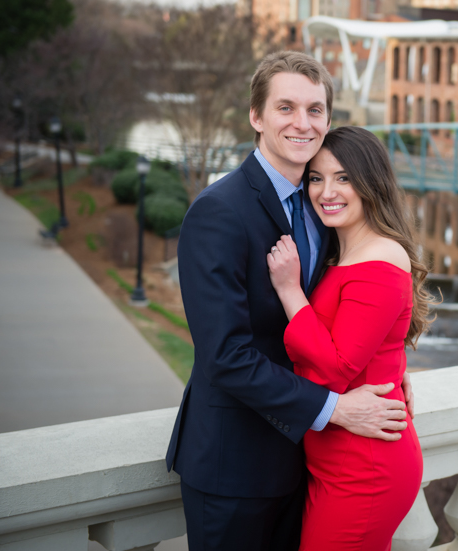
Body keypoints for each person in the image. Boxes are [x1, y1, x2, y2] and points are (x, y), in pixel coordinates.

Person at [165, 51, 413, 551]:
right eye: (286, 108)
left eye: (315, 110)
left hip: (306, 464)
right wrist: (335, 408)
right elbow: (226, 356)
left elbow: (352, 309)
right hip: (234, 464)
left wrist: (387, 365)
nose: (303, 123)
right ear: (256, 117)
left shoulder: (325, 205)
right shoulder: (218, 212)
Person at [268, 126, 428, 549]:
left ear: (370, 183)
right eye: (316, 178)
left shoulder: (380, 256)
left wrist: (289, 292)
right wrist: (396, 369)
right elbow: (375, 336)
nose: (326, 191)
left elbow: (338, 366)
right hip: (337, 458)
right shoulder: (346, 251)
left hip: (366, 467)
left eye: (343, 177)